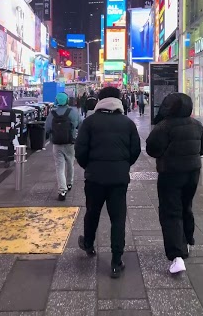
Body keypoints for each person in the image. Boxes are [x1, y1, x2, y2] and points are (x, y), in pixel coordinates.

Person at [75, 86, 141, 278]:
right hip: (119, 178)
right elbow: (135, 150)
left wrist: (89, 166)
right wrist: (123, 165)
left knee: (92, 212)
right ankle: (116, 261)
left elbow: (80, 151)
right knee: (118, 218)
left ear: (99, 100)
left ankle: (88, 244)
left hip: (94, 177)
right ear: (119, 100)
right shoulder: (127, 123)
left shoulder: (89, 122)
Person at [145, 92, 203, 274]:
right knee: (185, 205)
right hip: (193, 173)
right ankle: (187, 240)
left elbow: (152, 149)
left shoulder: (164, 126)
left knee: (171, 211)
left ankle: (177, 256)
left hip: (171, 174)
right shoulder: (196, 125)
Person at [45, 92, 81, 201]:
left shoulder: (52, 113)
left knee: (59, 167)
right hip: (70, 142)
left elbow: (47, 128)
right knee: (70, 163)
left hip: (56, 143)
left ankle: (62, 190)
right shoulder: (73, 112)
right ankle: (70, 183)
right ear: (67, 101)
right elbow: (80, 124)